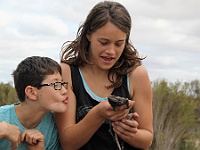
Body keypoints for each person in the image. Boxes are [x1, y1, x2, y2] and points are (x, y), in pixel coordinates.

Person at [55, 1, 153, 150]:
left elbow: (147, 139)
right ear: (88, 34)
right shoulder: (67, 73)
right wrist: (98, 114)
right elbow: (68, 143)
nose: (111, 51)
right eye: (104, 42)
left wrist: (129, 132)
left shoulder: (136, 75)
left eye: (119, 44)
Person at [0, 56, 68, 150]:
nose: (64, 91)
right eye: (56, 84)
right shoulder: (2, 118)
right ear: (31, 93)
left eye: (62, 83)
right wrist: (2, 130)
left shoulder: (53, 128)